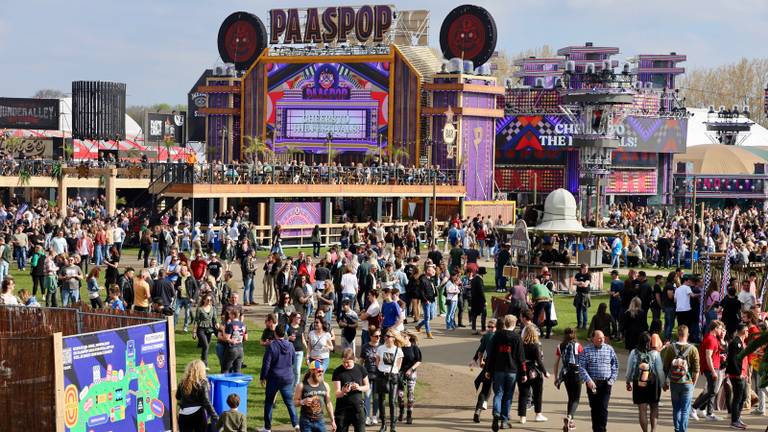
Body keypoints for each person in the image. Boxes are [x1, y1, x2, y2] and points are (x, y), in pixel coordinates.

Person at [485, 314, 526, 432]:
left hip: (498, 370)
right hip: (512, 371)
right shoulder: (517, 338)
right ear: (514, 324)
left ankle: (496, 413)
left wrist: (488, 370)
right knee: (508, 396)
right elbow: (521, 357)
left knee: (498, 393)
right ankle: (504, 420)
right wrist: (523, 373)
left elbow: (491, 355)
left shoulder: (497, 336)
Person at [577, 330, 619, 432]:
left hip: (606, 383)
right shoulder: (586, 350)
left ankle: (602, 429)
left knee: (603, 408)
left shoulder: (609, 349)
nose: (602, 340)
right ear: (593, 338)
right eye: (599, 338)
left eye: (603, 338)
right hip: (592, 384)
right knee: (595, 408)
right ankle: (596, 429)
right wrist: (588, 380)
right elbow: (581, 367)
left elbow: (615, 365)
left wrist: (612, 380)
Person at [661, 325, 700, 432]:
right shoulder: (693, 349)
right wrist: (693, 384)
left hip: (674, 382)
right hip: (687, 382)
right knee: (685, 410)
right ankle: (683, 430)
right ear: (688, 335)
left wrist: (665, 382)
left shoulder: (670, 348)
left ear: (678, 334)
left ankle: (677, 429)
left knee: (676, 409)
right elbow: (696, 370)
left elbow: (665, 367)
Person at [261, 325, 299, 432]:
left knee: (269, 402)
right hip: (287, 377)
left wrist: (263, 377)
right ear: (285, 334)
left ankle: (267, 427)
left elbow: (266, 364)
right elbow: (293, 361)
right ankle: (296, 424)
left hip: (274, 378)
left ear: (275, 333)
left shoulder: (272, 346)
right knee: (289, 402)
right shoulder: (290, 345)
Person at [625, 332, 664, 432]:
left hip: (639, 383)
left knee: (642, 410)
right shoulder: (655, 353)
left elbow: (629, 369)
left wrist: (628, 381)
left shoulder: (634, 352)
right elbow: (659, 371)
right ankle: (653, 430)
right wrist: (663, 383)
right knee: (654, 407)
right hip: (653, 383)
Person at [692, 320, 725, 421]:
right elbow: (708, 357)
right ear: (715, 329)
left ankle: (705, 411)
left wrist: (720, 355)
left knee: (712, 391)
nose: (722, 330)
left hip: (714, 367)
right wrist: (713, 371)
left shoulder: (714, 338)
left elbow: (718, 350)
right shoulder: (711, 339)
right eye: (720, 328)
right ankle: (693, 408)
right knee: (712, 392)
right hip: (710, 368)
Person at [333, 348, 370, 432]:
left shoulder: (361, 369)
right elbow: (336, 393)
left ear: (353, 360)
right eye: (343, 362)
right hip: (342, 409)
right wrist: (343, 391)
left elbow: (367, 386)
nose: (345, 364)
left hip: (358, 408)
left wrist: (358, 387)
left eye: (348, 362)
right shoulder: (337, 371)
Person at [375, 329, 405, 432]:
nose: (386, 338)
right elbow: (377, 362)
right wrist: (382, 370)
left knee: (392, 401)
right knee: (381, 400)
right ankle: (383, 424)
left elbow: (399, 365)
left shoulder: (398, 350)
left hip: (393, 377)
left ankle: (393, 425)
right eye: (386, 336)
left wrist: (391, 371)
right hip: (381, 376)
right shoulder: (380, 348)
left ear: (393, 338)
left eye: (388, 336)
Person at [518, 323, 548, 424]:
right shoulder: (536, 345)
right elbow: (539, 361)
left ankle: (522, 417)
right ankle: (538, 414)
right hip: (534, 371)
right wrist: (545, 372)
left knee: (523, 394)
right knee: (538, 393)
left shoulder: (520, 345)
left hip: (522, 371)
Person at [554, 327, 583, 431]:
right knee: (576, 399)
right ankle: (570, 417)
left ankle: (570, 421)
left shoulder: (560, 346)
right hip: (576, 373)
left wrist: (556, 377)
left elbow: (556, 363)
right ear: (575, 334)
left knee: (570, 397)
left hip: (566, 374)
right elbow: (582, 361)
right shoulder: (578, 346)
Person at [295, 360, 336, 432]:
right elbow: (294, 402)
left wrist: (332, 420)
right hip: (306, 422)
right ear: (312, 371)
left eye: (322, 371)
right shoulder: (302, 385)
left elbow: (328, 403)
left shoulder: (325, 385)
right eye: (319, 371)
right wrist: (302, 401)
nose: (321, 373)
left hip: (320, 421)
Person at [176, 360, 218, 432]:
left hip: (183, 414)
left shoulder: (183, 381)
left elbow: (178, 396)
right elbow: (206, 401)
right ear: (202, 370)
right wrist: (215, 416)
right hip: (198, 415)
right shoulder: (203, 383)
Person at [726, 323, 749, 429]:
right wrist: (738, 373)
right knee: (737, 398)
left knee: (743, 396)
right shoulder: (735, 343)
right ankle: (734, 421)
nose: (748, 332)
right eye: (747, 330)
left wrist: (746, 373)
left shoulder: (742, 342)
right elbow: (732, 360)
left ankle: (737, 418)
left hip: (743, 374)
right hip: (737, 375)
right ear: (744, 331)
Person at [398, 331, 422, 424]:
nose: (402, 338)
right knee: (400, 394)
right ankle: (401, 412)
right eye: (401, 337)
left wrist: (411, 369)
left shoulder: (414, 347)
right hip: (400, 373)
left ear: (408, 337)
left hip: (411, 373)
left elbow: (419, 361)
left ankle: (409, 415)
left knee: (410, 394)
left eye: (404, 337)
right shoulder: (399, 348)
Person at [361, 326, 381, 426]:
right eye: (376, 336)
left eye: (379, 336)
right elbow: (361, 361)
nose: (378, 338)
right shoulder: (365, 347)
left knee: (376, 397)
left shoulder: (382, 347)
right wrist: (359, 373)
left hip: (378, 375)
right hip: (367, 375)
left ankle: (374, 416)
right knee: (367, 397)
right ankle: (367, 416)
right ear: (371, 336)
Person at [192, 294, 217, 368]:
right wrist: (194, 332)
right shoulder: (199, 309)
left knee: (206, 347)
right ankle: (205, 365)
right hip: (201, 329)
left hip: (209, 329)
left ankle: (202, 362)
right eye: (208, 300)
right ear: (204, 300)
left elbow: (215, 319)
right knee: (206, 346)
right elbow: (196, 320)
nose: (209, 301)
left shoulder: (213, 308)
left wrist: (217, 324)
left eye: (210, 300)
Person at [219, 307, 246, 373]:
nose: (229, 316)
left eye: (230, 314)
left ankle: (224, 383)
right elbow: (245, 338)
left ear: (233, 315)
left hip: (232, 349)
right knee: (237, 371)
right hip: (240, 349)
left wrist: (222, 330)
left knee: (225, 370)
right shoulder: (243, 325)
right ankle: (236, 383)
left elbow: (227, 338)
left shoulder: (230, 324)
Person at [415, 263, 437, 339]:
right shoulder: (423, 279)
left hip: (432, 300)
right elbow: (421, 292)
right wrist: (425, 300)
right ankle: (428, 332)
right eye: (432, 270)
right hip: (426, 301)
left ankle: (418, 325)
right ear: (427, 271)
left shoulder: (431, 279)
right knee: (427, 317)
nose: (434, 271)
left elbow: (433, 289)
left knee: (430, 317)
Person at [287, 312, 308, 386]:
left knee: (297, 370)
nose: (300, 319)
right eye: (298, 317)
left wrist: (307, 350)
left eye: (300, 317)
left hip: (300, 352)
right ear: (293, 318)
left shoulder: (301, 327)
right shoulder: (288, 327)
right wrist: (288, 338)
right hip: (290, 352)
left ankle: (295, 388)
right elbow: (283, 339)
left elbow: (303, 340)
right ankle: (290, 385)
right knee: (291, 370)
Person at [468, 266, 487, 335]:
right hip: (480, 301)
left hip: (473, 299)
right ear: (482, 274)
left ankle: (473, 329)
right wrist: (484, 301)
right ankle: (483, 329)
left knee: (474, 315)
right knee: (484, 315)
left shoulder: (473, 279)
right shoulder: (479, 280)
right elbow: (481, 292)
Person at [573, 264, 591, 329]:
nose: (586, 269)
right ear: (581, 268)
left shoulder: (588, 275)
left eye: (587, 268)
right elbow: (573, 282)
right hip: (578, 294)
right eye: (585, 268)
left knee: (584, 310)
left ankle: (585, 325)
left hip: (585, 294)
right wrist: (580, 282)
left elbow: (586, 284)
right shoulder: (577, 275)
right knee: (578, 310)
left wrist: (580, 283)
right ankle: (579, 325)